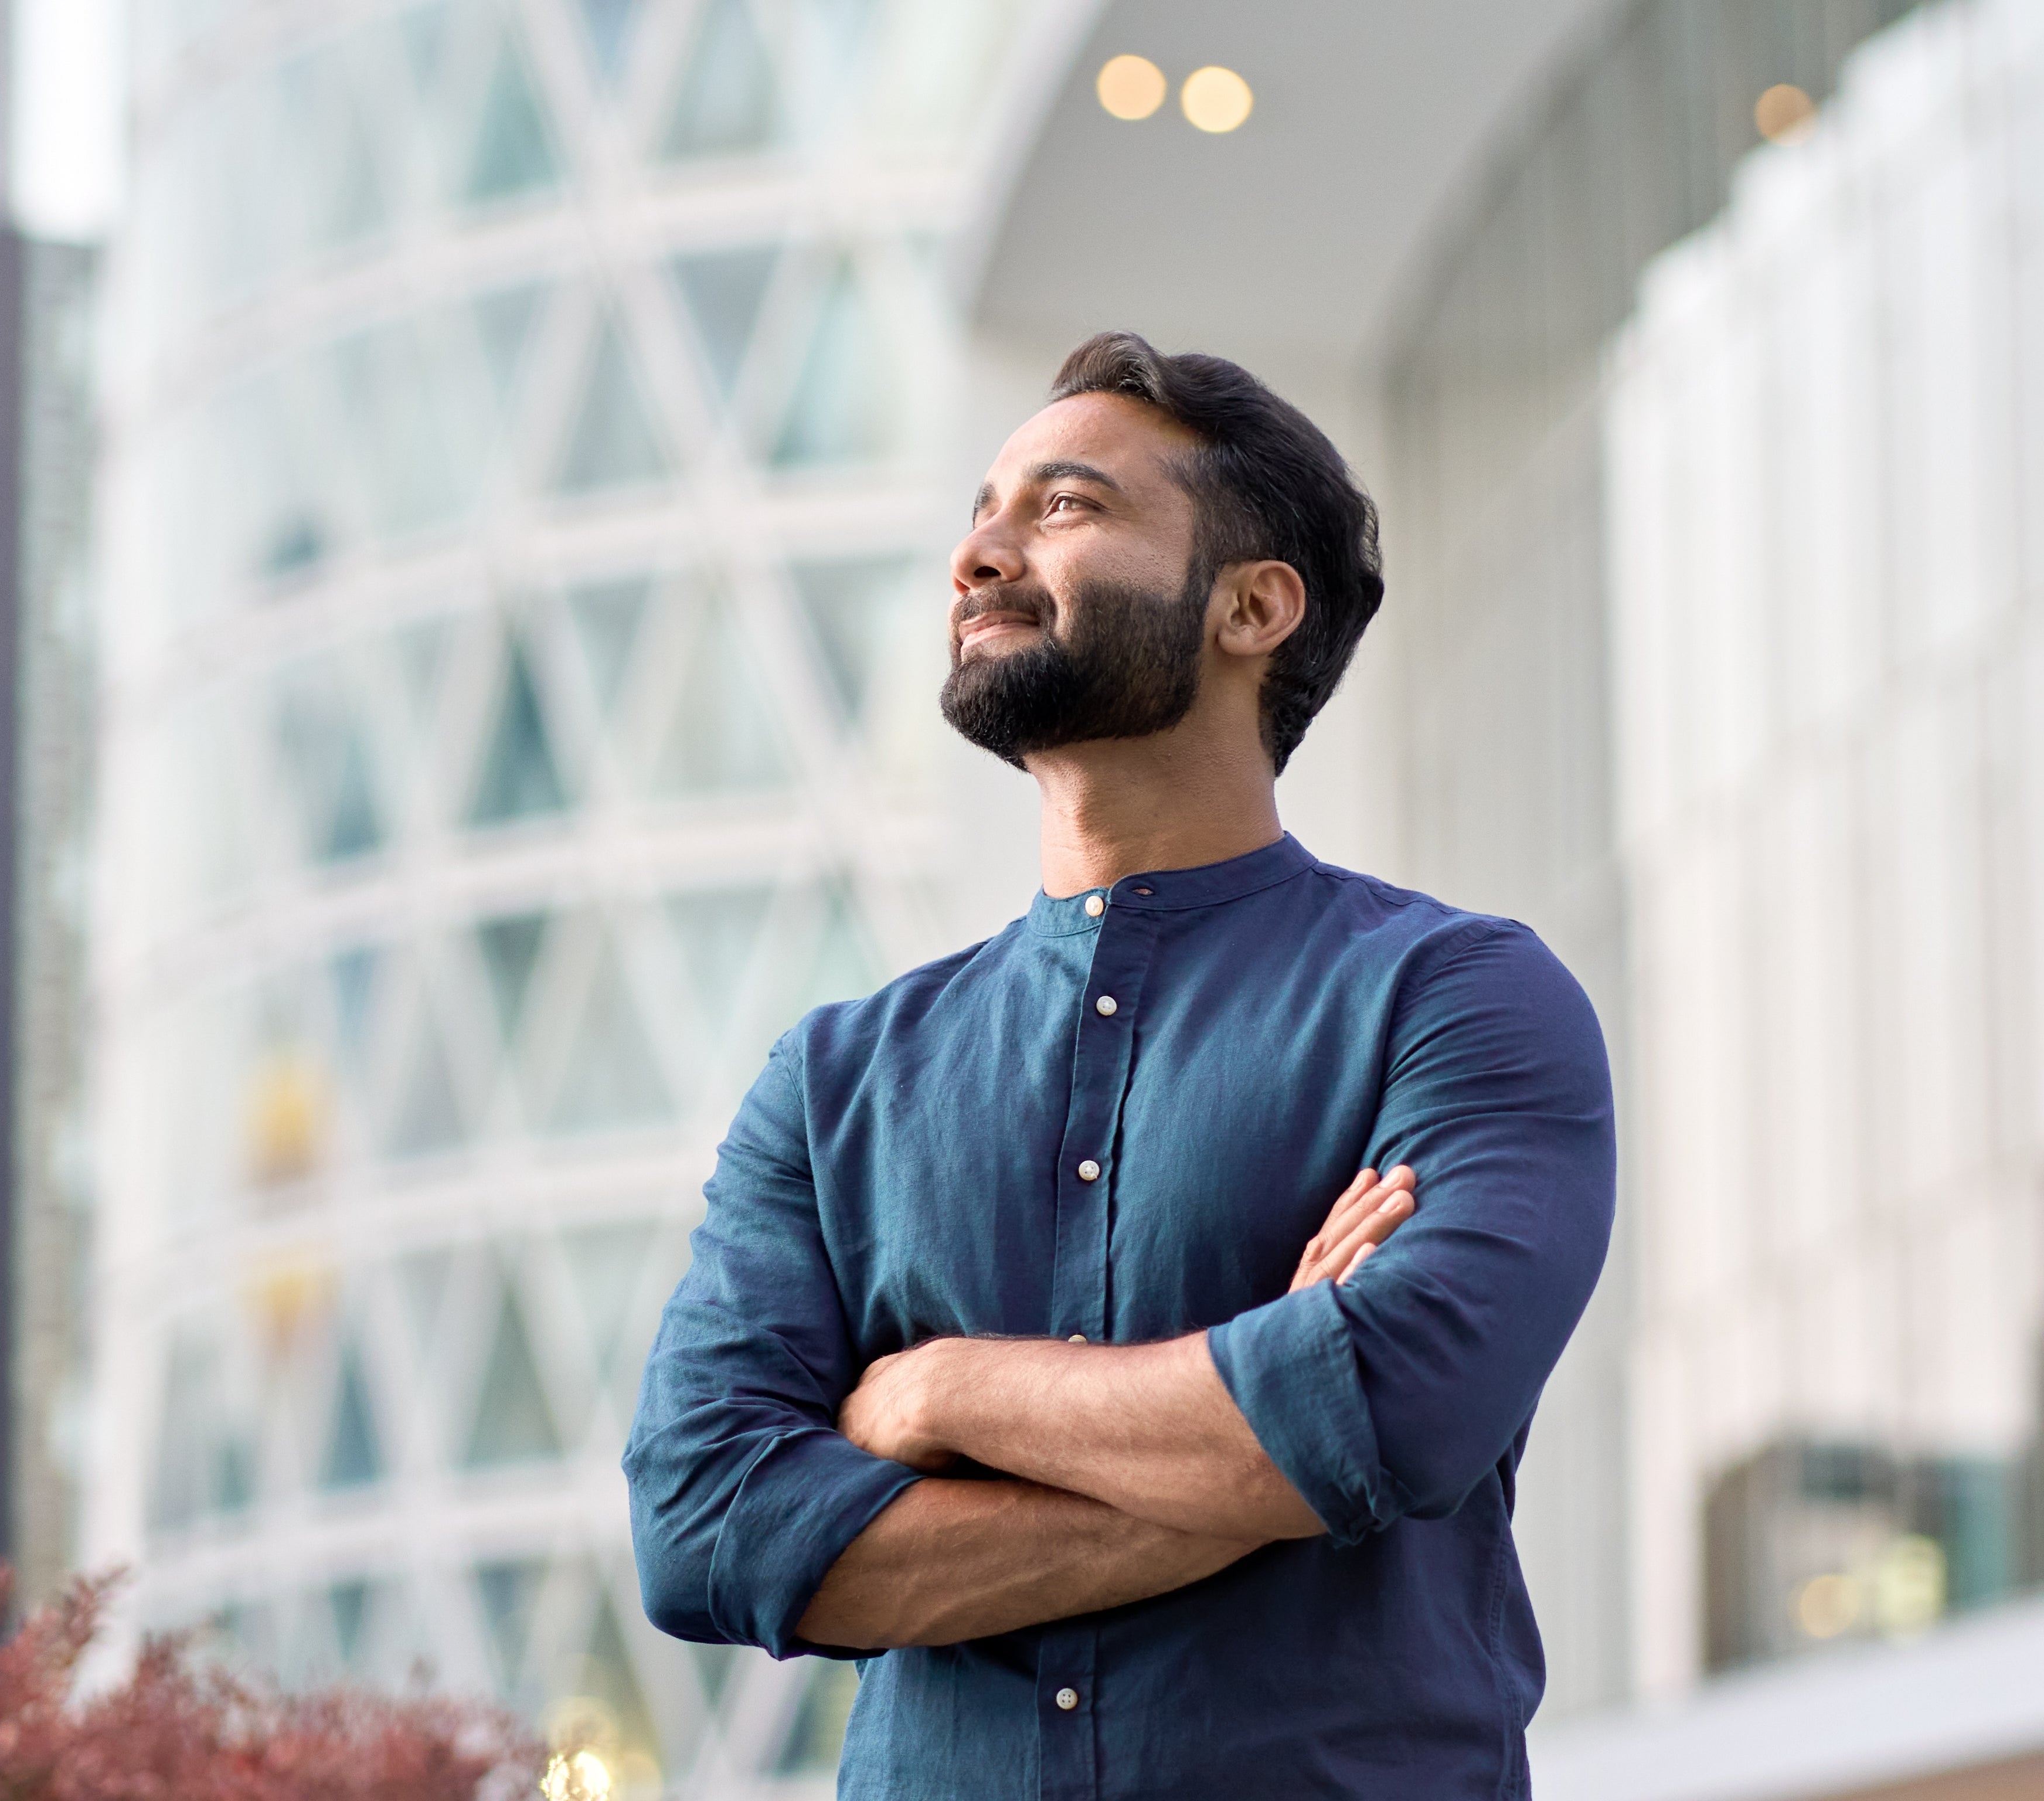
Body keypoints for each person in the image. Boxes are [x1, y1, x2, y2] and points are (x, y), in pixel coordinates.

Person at [622, 332, 1614, 1798]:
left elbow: (1401, 1405)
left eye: (1066, 508)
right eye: (983, 511)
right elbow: (707, 1529)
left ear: (1253, 606)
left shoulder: (1455, 998)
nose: (982, 555)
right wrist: (1257, 1444)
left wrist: (943, 1394)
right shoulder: (833, 1083)